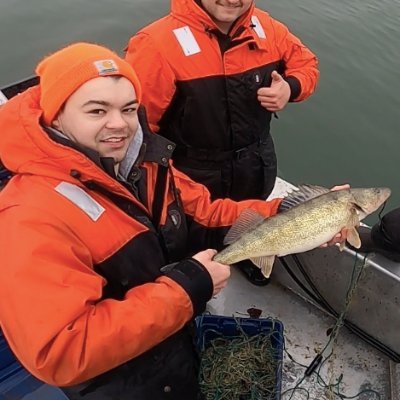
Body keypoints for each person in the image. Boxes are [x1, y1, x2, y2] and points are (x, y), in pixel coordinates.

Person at [0, 42, 286, 400]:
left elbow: (208, 213)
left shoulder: (146, 164)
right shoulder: (28, 216)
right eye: (97, 111)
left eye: (129, 109)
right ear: (56, 115)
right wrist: (185, 289)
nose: (118, 124)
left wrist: (287, 214)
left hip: (172, 347)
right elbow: (60, 352)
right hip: (120, 384)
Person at [125, 0, 320, 285]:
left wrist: (289, 88)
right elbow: (138, 133)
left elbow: (306, 63)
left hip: (257, 160)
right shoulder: (156, 45)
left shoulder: (267, 28)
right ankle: (189, 280)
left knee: (250, 220)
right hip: (192, 173)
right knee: (191, 236)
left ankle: (247, 256)